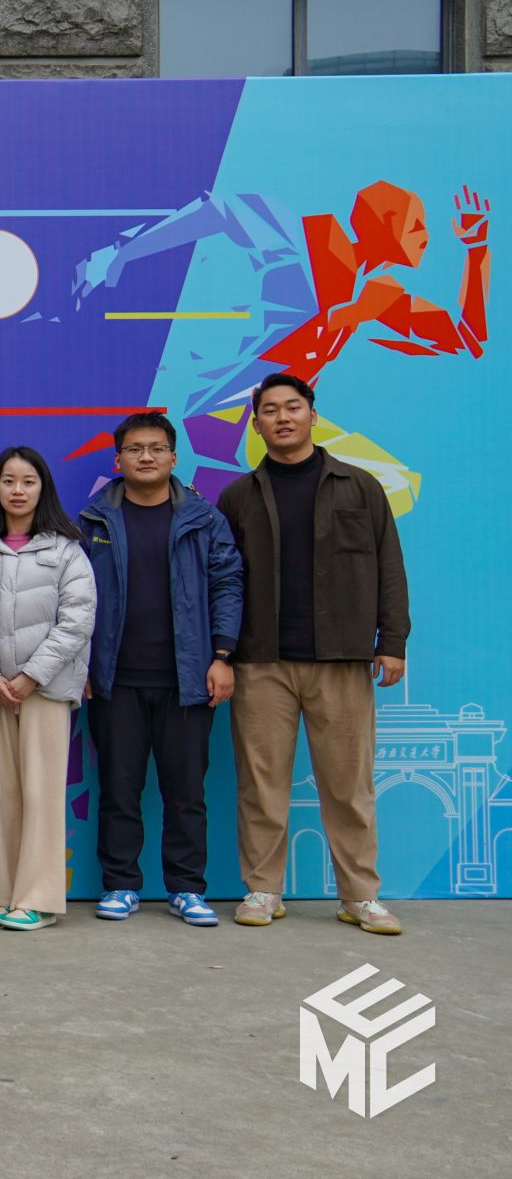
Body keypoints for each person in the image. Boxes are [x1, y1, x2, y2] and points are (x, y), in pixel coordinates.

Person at [216, 374, 411, 935]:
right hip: (261, 661)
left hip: (342, 658)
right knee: (262, 784)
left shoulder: (360, 487)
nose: (282, 417)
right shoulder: (238, 496)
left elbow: (389, 565)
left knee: (349, 785)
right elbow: (223, 581)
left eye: (293, 407)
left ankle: (361, 896)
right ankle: (263, 889)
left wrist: (391, 642)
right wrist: (222, 652)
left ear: (312, 415)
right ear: (256, 424)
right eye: (270, 410)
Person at [78, 412, 244, 928]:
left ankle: (187, 888)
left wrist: (222, 656)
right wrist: (81, 665)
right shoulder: (93, 521)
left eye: (155, 448)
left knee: (186, 793)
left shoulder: (204, 519)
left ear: (173, 457)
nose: (145, 457)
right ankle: (121, 884)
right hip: (115, 679)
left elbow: (228, 584)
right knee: (118, 790)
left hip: (187, 679)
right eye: (134, 449)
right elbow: (73, 599)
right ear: (118, 459)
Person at [0, 446, 96, 932]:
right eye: (8, 481)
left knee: (41, 793)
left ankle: (38, 899)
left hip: (44, 689)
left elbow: (77, 620)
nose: (18, 491)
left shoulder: (65, 550)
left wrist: (31, 676)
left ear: (43, 488)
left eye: (28, 481)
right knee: (0, 792)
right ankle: (2, 891)